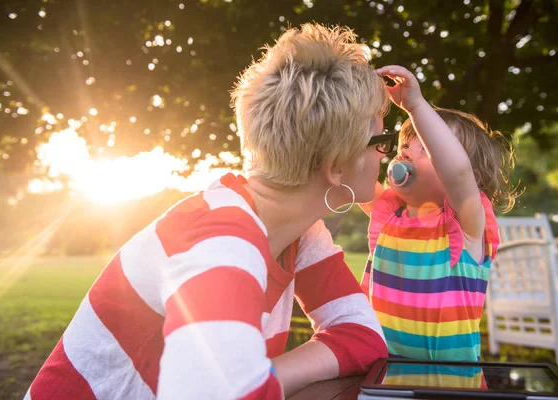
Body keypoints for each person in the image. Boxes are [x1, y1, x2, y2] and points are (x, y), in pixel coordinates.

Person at [26, 24, 391, 400]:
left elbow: (364, 336)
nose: (385, 155)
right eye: (380, 141)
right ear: (336, 165)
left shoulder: (301, 234)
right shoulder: (219, 239)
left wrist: (264, 377)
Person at [360, 65, 517, 361]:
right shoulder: (388, 214)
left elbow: (455, 173)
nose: (405, 150)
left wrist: (416, 106)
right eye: (406, 144)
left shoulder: (466, 224)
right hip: (381, 366)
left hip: (448, 377)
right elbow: (351, 173)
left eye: (427, 147)